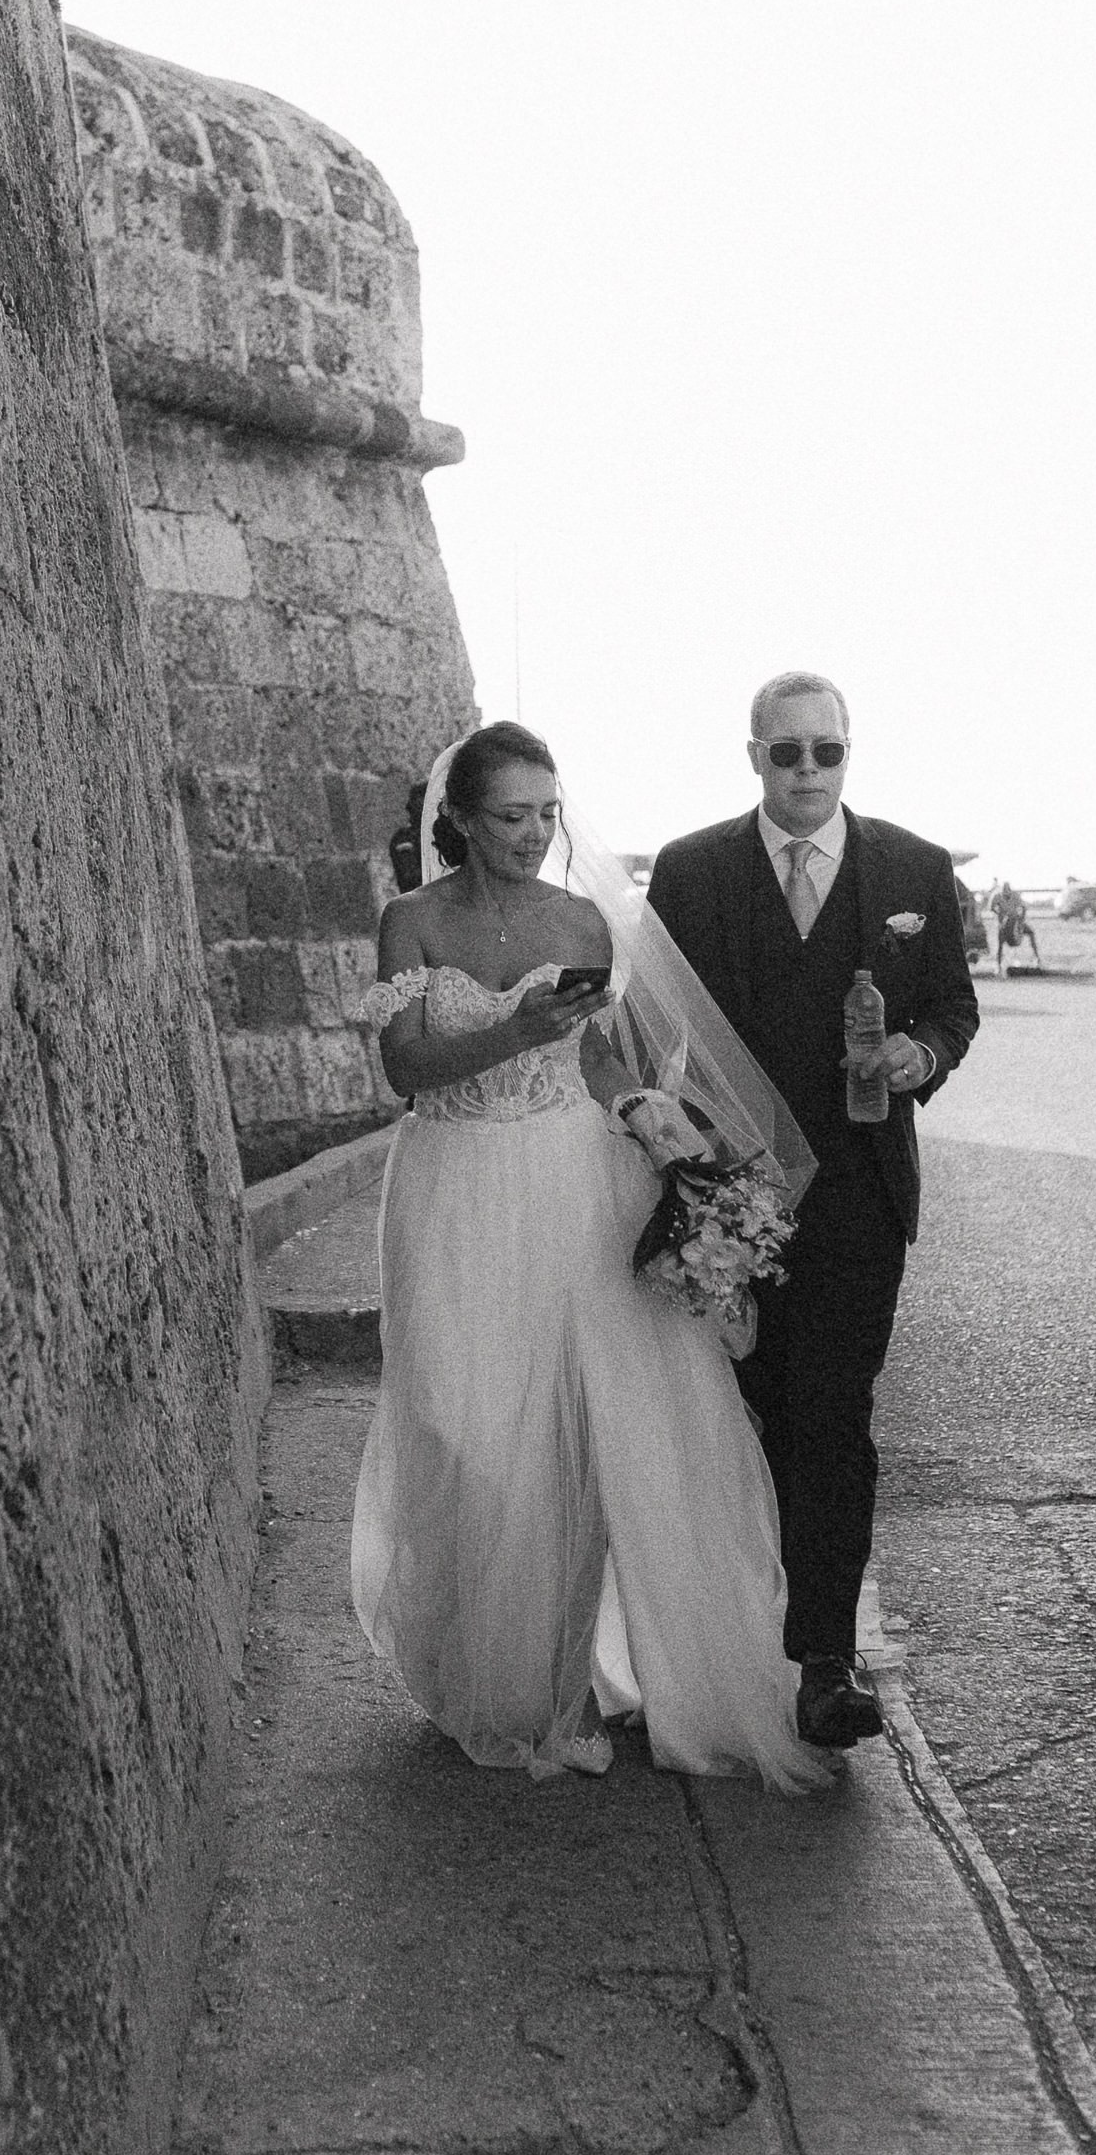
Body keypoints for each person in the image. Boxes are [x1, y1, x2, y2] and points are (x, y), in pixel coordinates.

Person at [351, 721, 835, 1792]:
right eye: (510, 817)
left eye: (545, 814)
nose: (532, 835)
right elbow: (403, 1067)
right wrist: (512, 1033)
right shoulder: (411, 922)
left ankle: (563, 1688)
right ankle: (488, 1666)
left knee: (585, 1428)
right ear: (460, 822)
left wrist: (648, 1115)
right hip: (455, 1185)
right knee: (469, 1429)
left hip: (575, 1184)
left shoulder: (577, 918)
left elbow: (598, 1055)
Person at [646, 673, 978, 1751]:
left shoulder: (912, 868)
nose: (804, 771)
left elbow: (951, 1005)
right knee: (742, 1415)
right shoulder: (691, 872)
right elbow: (650, 1024)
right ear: (751, 755)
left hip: (855, 1198)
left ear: (848, 753)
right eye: (782, 752)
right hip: (724, 1197)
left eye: (822, 752)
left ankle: (822, 1662)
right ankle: (724, 1636)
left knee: (830, 1419)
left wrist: (917, 1050)